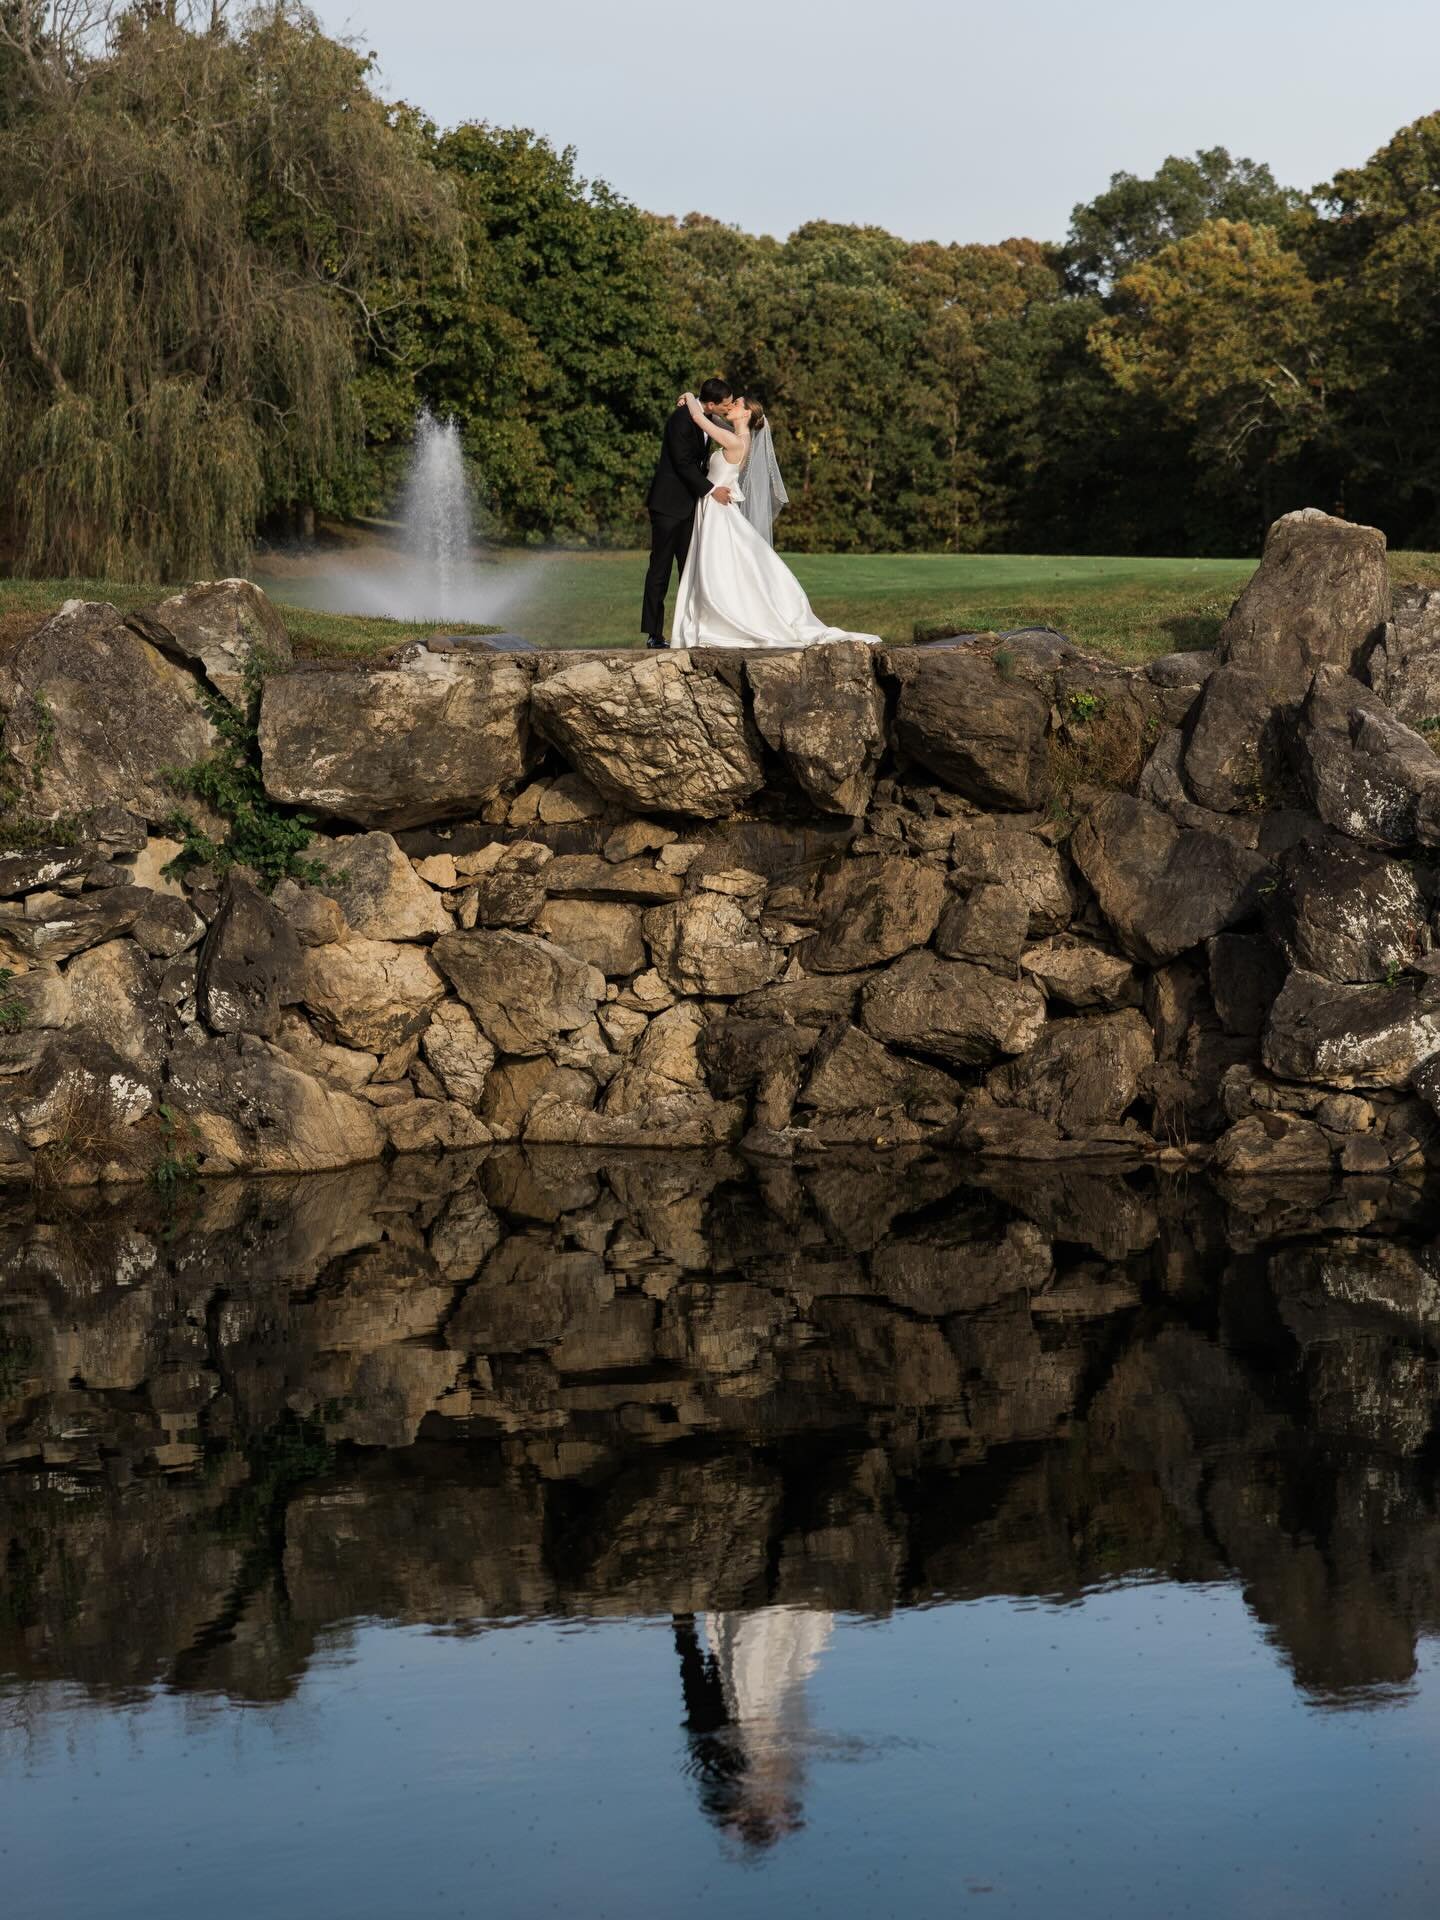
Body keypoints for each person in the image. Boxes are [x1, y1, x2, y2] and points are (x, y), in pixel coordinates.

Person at [669, 392, 881, 650]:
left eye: (736, 404)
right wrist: (709, 409)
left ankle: (720, 621)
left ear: (746, 413)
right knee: (721, 569)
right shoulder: (739, 435)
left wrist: (690, 396)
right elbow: (711, 417)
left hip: (717, 513)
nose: (730, 406)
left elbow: (697, 417)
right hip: (714, 509)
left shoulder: (736, 441)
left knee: (716, 569)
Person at [641, 376, 735, 649]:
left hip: (689, 508)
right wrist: (711, 490)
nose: (728, 409)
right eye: (725, 405)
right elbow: (683, 463)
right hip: (668, 506)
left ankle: (690, 630)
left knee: (690, 570)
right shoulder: (681, 420)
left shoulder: (704, 417)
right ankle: (654, 633)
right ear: (711, 403)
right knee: (660, 569)